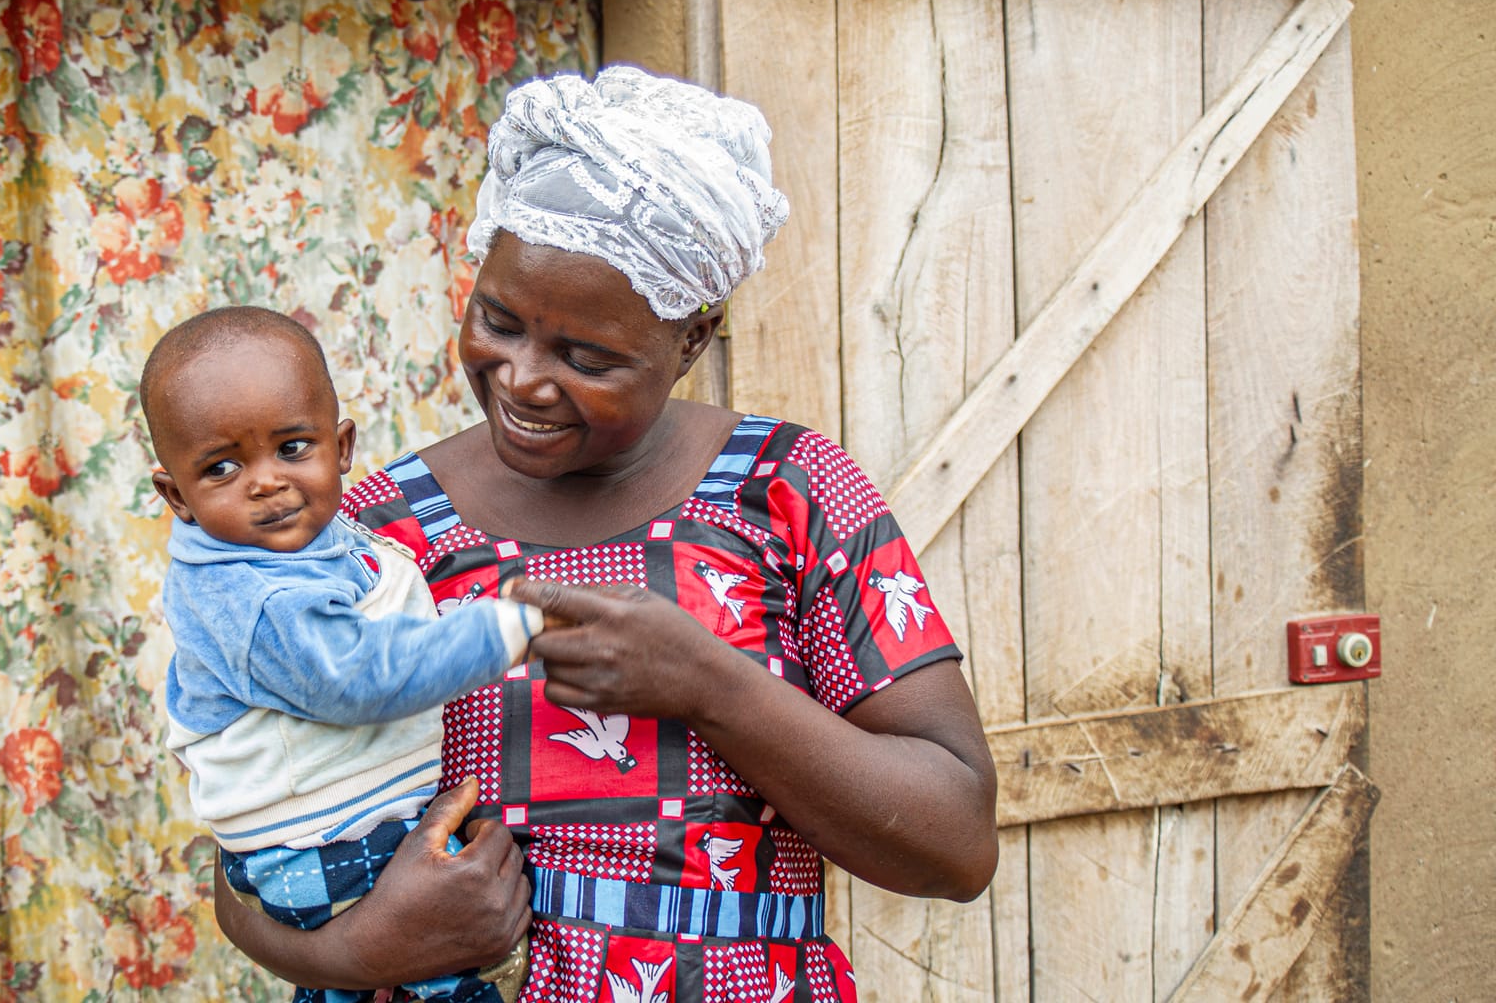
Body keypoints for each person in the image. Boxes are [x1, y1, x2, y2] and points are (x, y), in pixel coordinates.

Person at [210, 67, 999, 1003]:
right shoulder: (370, 536)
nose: (524, 380)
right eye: (497, 321)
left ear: (693, 339)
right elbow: (245, 831)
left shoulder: (785, 492)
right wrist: (350, 955)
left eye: (588, 357)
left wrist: (709, 684)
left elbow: (957, 845)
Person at [143, 306, 545, 1003]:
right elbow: (357, 676)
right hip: (320, 843)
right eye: (222, 467)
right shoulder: (254, 597)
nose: (265, 482)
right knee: (433, 971)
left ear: (343, 446)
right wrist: (508, 628)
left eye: (293, 448)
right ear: (176, 495)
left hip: (335, 830)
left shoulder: (319, 539)